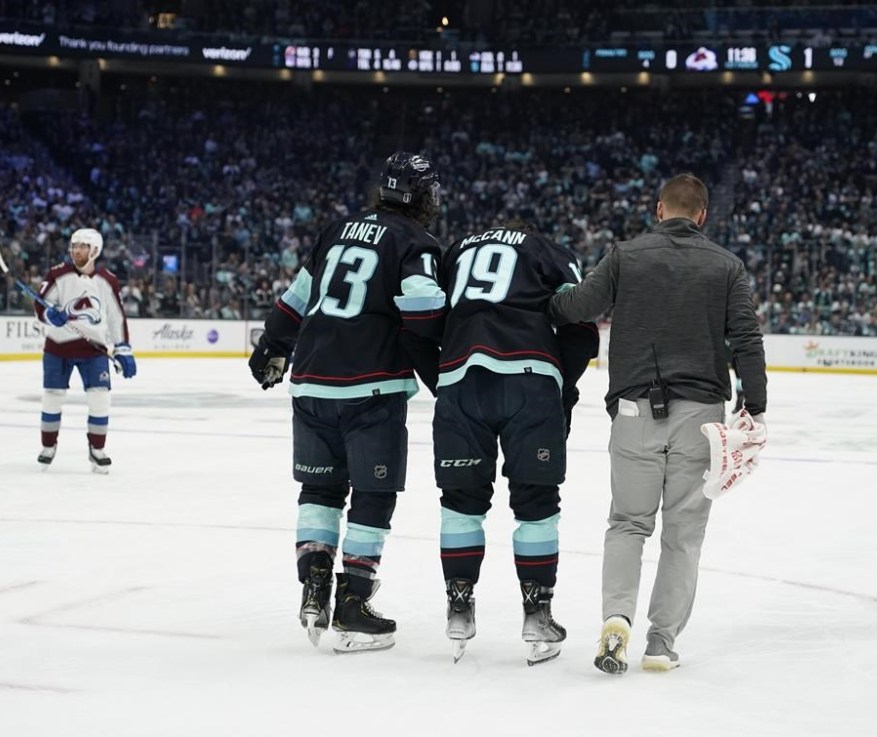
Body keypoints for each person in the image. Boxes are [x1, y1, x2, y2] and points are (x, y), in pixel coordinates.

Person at [547, 173, 767, 674]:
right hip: (701, 419)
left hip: (634, 412)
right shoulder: (728, 266)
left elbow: (578, 306)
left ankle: (616, 619)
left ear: (659, 208)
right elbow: (747, 341)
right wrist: (755, 405)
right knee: (683, 534)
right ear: (704, 215)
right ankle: (661, 642)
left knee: (627, 523)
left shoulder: (626, 255)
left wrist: (546, 297)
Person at [249, 152, 445, 653]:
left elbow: (297, 296)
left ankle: (315, 584)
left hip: (311, 382)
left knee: (320, 490)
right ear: (419, 196)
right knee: (372, 495)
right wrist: (441, 368)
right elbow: (423, 310)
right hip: (371, 387)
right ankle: (353, 600)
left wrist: (272, 346)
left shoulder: (337, 230)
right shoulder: (416, 242)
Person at [433, 218, 598, 664]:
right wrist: (560, 387)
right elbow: (580, 324)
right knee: (537, 503)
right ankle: (537, 614)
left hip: (460, 379)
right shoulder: (548, 249)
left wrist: (444, 381)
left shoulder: (454, 251)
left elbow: (423, 319)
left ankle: (459, 607)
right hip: (529, 379)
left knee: (460, 502)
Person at [33, 228, 137, 473]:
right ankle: (48, 446)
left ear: (95, 251)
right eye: (74, 245)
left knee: (101, 398)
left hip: (94, 351)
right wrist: (50, 314)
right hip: (58, 349)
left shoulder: (108, 280)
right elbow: (40, 305)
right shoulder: (58, 274)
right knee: (53, 396)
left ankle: (97, 449)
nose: (76, 250)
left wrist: (122, 348)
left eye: (82, 246)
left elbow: (115, 316)